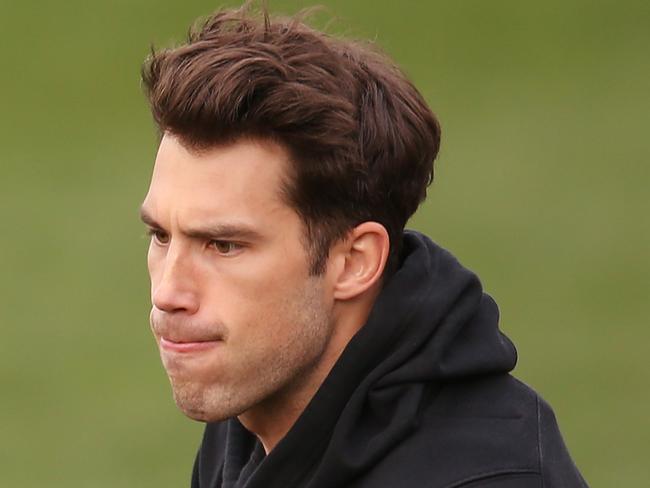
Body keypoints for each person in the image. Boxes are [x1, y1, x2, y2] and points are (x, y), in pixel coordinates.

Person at [139, 3, 588, 487]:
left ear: (354, 262)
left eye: (224, 245)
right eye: (162, 235)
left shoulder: (487, 479)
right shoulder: (250, 414)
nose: (168, 292)